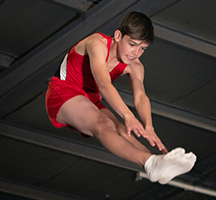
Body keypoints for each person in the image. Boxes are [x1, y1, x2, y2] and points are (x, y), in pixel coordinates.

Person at [45, 11, 196, 184]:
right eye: (132, 44)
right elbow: (104, 84)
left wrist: (149, 126)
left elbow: (140, 97)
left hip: (90, 99)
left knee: (121, 129)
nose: (136, 53)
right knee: (104, 123)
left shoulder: (135, 66)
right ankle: (149, 162)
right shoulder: (97, 43)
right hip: (63, 90)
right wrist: (128, 115)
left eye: (142, 49)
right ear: (118, 36)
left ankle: (157, 163)